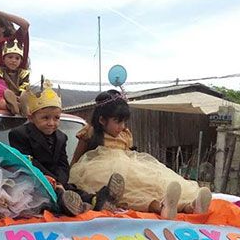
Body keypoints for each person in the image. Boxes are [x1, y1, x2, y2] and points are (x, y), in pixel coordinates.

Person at [69, 90, 212, 220]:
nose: (122, 126)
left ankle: (189, 206)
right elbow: (76, 159)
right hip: (100, 173)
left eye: (124, 122)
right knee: (129, 193)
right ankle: (161, 208)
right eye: (118, 122)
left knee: (153, 182)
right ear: (102, 120)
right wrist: (70, 178)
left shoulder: (125, 134)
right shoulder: (91, 132)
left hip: (129, 166)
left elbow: (129, 154)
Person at [8, 81, 120, 216]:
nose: (51, 123)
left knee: (74, 189)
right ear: (31, 117)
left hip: (56, 180)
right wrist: (53, 182)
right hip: (34, 180)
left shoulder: (61, 137)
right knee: (52, 194)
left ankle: (97, 199)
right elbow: (28, 163)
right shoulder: (19, 134)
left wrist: (60, 180)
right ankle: (65, 204)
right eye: (45, 118)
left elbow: (63, 164)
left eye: (56, 118)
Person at [0, 39, 30, 115]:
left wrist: (19, 96)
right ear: (4, 59)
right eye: (10, 57)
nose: (13, 60)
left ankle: (22, 106)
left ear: (21, 61)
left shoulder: (23, 73)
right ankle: (13, 106)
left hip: (19, 97)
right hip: (3, 96)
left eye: (17, 58)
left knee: (27, 97)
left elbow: (24, 86)